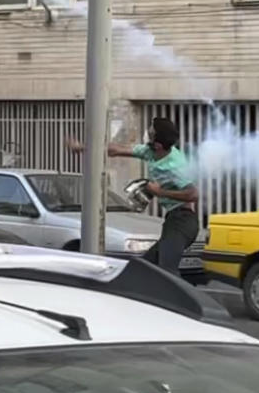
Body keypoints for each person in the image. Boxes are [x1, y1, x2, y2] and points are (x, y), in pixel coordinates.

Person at [66, 117, 199, 276]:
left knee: (167, 272)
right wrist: (81, 147)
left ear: (158, 145)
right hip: (172, 220)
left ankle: (175, 301)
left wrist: (159, 192)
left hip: (183, 222)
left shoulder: (175, 166)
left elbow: (193, 194)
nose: (147, 133)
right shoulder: (150, 152)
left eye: (151, 132)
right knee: (143, 269)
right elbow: (115, 149)